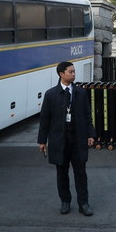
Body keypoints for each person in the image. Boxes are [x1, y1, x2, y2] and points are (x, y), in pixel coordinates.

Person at [38, 61, 96, 216]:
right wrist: (42, 141)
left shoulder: (80, 93)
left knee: (81, 173)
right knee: (62, 173)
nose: (74, 74)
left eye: (74, 71)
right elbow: (45, 119)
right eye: (70, 72)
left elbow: (87, 115)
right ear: (61, 74)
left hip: (77, 140)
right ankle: (65, 201)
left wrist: (90, 134)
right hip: (60, 141)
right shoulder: (51, 94)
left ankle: (83, 203)